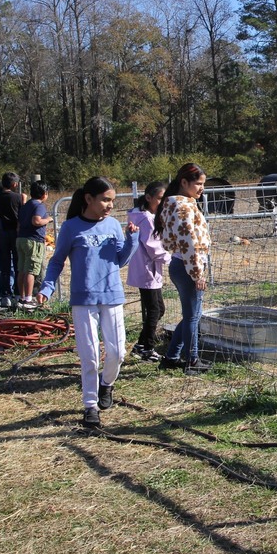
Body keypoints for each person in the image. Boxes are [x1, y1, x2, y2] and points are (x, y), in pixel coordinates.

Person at [37, 177, 138, 429]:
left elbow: (120, 260)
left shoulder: (114, 224)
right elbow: (57, 261)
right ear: (89, 199)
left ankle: (107, 384)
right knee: (90, 355)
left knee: (117, 352)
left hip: (112, 296)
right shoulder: (71, 228)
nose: (110, 205)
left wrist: (131, 240)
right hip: (83, 300)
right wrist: (47, 288)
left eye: (112, 200)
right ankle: (90, 406)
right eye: (105, 200)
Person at [155, 163, 211, 373]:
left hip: (181, 264)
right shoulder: (183, 207)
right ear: (184, 182)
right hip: (188, 266)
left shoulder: (173, 204)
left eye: (203, 184)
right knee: (192, 316)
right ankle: (192, 360)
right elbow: (189, 242)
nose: (201, 188)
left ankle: (171, 356)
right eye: (198, 183)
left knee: (191, 315)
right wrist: (197, 273)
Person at [126, 181, 169, 361]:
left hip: (146, 269)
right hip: (147, 269)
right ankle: (147, 348)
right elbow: (152, 246)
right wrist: (170, 258)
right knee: (154, 310)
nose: (162, 202)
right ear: (149, 197)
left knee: (158, 309)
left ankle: (141, 345)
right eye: (159, 198)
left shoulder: (140, 216)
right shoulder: (145, 219)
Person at [0, 172, 26, 305]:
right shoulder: (17, 197)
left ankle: (5, 295)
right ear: (15, 184)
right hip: (15, 232)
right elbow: (22, 215)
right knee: (17, 263)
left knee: (4, 264)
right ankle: (18, 293)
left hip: (0, 233)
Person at [16, 181, 51, 310]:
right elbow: (36, 221)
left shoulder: (25, 206)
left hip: (21, 239)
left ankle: (21, 297)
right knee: (31, 270)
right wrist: (48, 219)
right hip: (33, 240)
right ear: (44, 194)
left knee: (22, 269)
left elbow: (18, 225)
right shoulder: (39, 205)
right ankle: (29, 299)